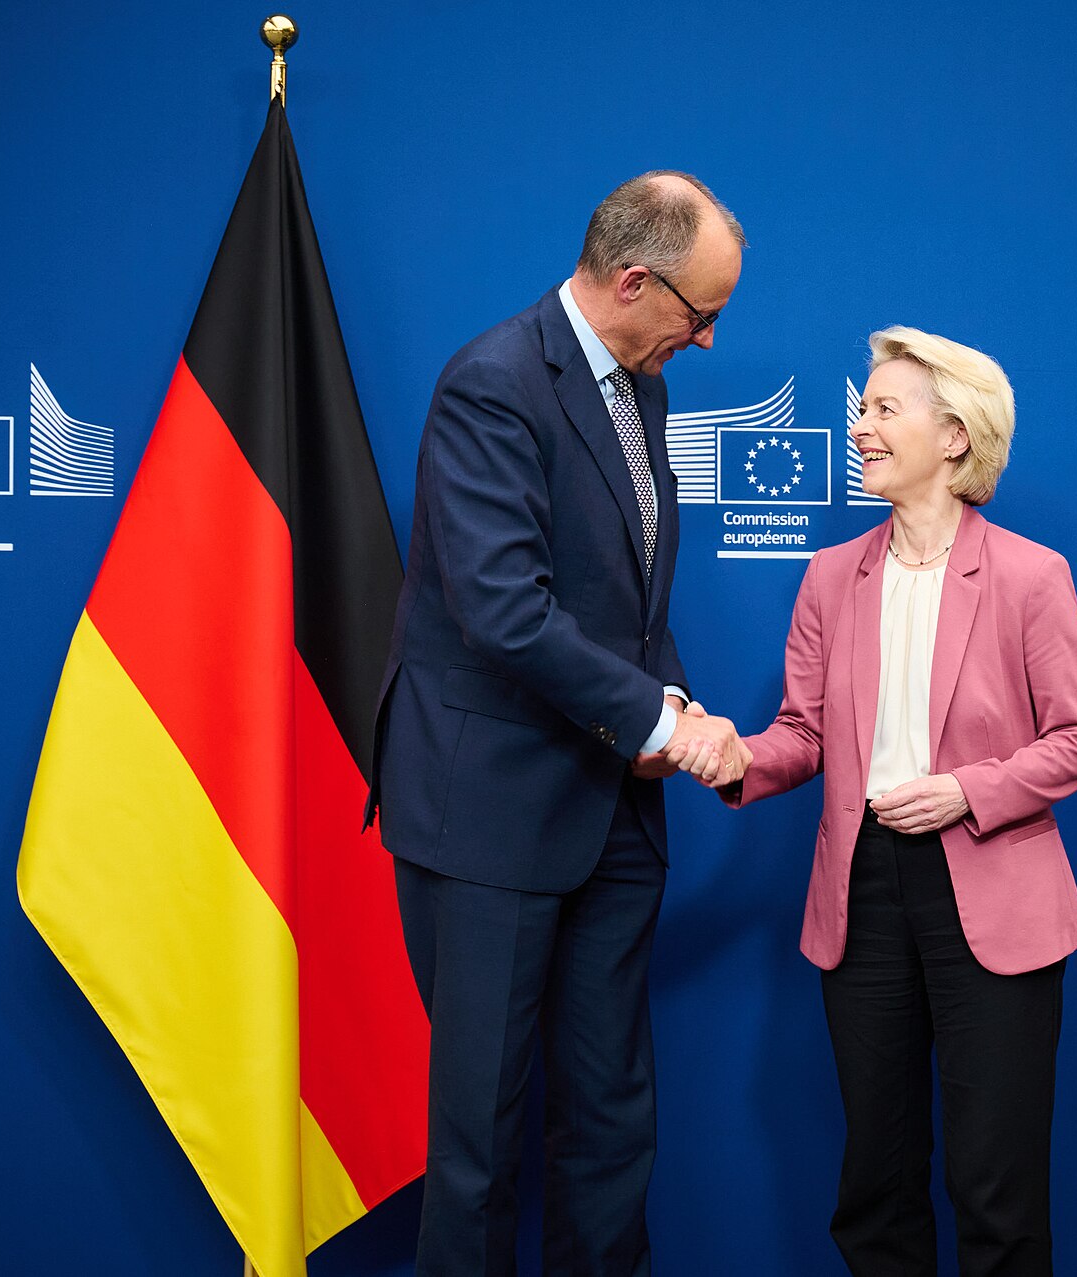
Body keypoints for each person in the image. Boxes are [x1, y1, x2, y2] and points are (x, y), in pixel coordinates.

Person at [366, 171, 752, 1277]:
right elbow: (504, 610)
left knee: (612, 1120)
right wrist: (660, 723)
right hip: (488, 813)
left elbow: (626, 605)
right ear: (634, 281)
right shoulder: (492, 382)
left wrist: (678, 707)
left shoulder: (643, 387)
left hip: (610, 813)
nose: (708, 340)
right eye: (701, 313)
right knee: (481, 1137)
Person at [675, 327, 1077, 1277]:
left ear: (954, 436)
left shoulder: (1032, 575)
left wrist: (965, 790)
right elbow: (805, 735)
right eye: (861, 408)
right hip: (862, 892)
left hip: (992, 890)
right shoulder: (831, 576)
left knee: (997, 1186)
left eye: (883, 408)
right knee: (876, 1176)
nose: (860, 427)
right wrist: (733, 754)